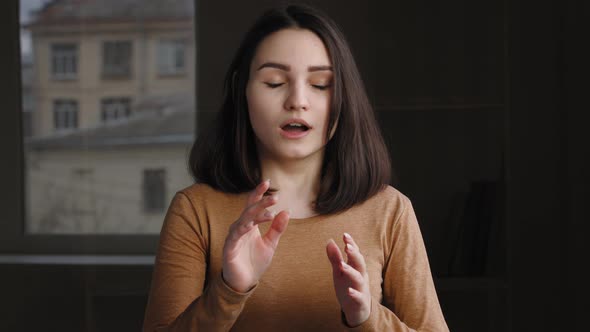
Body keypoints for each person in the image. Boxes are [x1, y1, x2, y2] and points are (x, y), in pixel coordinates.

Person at [143, 4, 448, 331]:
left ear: (344, 97)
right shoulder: (195, 210)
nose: (297, 100)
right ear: (241, 89)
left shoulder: (390, 211)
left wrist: (368, 317)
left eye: (320, 84)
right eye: (274, 82)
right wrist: (229, 290)